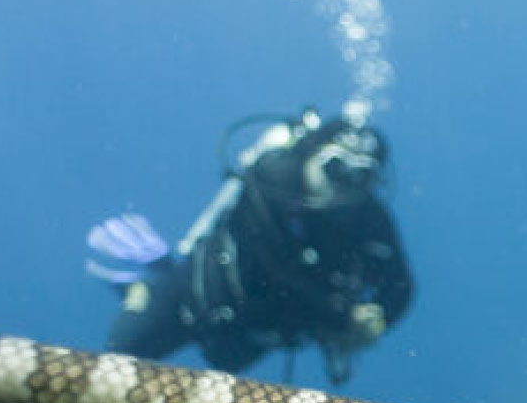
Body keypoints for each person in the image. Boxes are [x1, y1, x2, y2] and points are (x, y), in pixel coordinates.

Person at [86, 105, 414, 386]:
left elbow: (402, 287)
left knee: (228, 365)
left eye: (361, 178)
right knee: (119, 364)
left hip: (255, 333)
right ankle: (147, 286)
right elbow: (266, 267)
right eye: (336, 168)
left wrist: (379, 318)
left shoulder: (369, 218)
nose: (345, 187)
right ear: (311, 155)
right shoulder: (273, 178)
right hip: (195, 295)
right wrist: (343, 317)